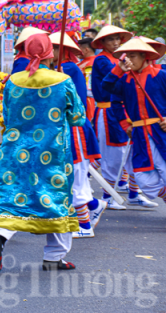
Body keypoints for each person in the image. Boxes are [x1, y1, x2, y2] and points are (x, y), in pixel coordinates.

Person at [0, 34, 84, 272]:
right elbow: (78, 117)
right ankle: (54, 257)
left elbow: (6, 114)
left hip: (16, 151)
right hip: (52, 152)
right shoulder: (63, 80)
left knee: (13, 196)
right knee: (56, 199)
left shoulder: (13, 81)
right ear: (50, 53)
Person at [49, 33, 118, 238]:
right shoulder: (61, 68)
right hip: (70, 127)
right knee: (75, 176)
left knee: (75, 176)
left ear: (63, 50)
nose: (47, 53)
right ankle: (94, 206)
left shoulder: (66, 68)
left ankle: (85, 226)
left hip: (73, 127)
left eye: (52, 48)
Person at [103, 38, 166, 208]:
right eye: (126, 57)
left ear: (144, 56)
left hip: (161, 133)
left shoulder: (161, 75)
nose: (129, 60)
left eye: (133, 56)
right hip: (139, 136)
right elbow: (107, 89)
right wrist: (119, 69)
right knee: (143, 179)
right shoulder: (124, 79)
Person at [91, 25, 134, 210]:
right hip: (108, 111)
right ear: (102, 43)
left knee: (124, 152)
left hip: (119, 110)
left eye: (117, 38)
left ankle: (130, 191)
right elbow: (116, 78)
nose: (115, 42)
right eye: (111, 39)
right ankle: (107, 195)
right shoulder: (103, 60)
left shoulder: (117, 58)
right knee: (113, 154)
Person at [77, 37, 97, 121]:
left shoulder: (90, 64)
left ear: (86, 50)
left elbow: (89, 86)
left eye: (79, 48)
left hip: (89, 100)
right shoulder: (82, 63)